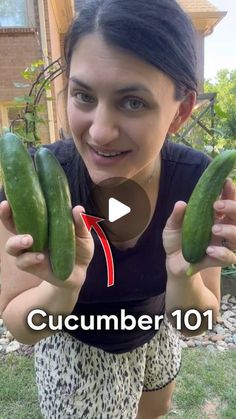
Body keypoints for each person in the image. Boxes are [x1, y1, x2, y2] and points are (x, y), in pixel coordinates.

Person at [0, 0, 235, 418]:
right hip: (76, 345)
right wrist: (61, 288)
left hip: (154, 331)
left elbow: (194, 323)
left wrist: (184, 277)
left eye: (133, 103)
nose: (101, 132)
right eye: (83, 95)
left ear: (180, 112)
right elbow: (21, 327)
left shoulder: (197, 180)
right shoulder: (33, 184)